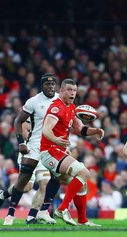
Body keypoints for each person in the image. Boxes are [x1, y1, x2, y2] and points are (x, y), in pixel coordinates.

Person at [0, 73, 60, 225]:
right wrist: (21, 142)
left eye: (53, 84)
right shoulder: (33, 102)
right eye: (47, 84)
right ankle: (4, 198)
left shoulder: (60, 100)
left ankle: (32, 216)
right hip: (32, 147)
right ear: (42, 86)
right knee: (26, 184)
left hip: (49, 148)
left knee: (44, 183)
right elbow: (19, 121)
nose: (50, 87)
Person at [40, 78, 104, 226]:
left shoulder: (71, 107)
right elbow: (46, 129)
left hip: (59, 151)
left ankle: (82, 220)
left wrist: (96, 130)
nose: (72, 93)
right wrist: (56, 140)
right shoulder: (56, 107)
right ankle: (62, 209)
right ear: (61, 91)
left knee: (82, 184)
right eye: (69, 90)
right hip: (50, 151)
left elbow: (80, 129)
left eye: (74, 90)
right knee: (84, 172)